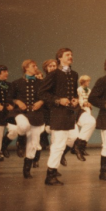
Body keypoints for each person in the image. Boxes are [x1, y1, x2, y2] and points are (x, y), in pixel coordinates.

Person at [38, 48, 80, 186]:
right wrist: (57, 100)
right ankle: (50, 175)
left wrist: (75, 99)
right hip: (58, 113)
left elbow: (73, 92)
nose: (70, 56)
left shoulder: (74, 74)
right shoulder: (54, 74)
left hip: (69, 113)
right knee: (58, 144)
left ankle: (53, 169)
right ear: (59, 58)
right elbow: (42, 93)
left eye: (71, 55)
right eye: (67, 55)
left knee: (72, 138)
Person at [10, 59, 46, 178]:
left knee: (33, 142)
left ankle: (26, 170)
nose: (36, 68)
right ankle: (20, 139)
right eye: (33, 66)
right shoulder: (16, 83)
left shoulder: (41, 83)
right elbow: (10, 97)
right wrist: (17, 101)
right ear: (26, 68)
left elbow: (46, 96)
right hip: (21, 112)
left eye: (36, 66)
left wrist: (41, 102)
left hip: (36, 114)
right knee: (24, 125)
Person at [73, 74, 96, 161]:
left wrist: (90, 104)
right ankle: (77, 147)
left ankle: (82, 148)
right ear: (83, 82)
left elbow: (90, 99)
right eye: (87, 81)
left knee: (89, 127)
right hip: (81, 109)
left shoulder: (89, 90)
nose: (88, 82)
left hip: (87, 108)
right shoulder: (79, 89)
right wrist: (83, 103)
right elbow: (79, 99)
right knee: (83, 128)